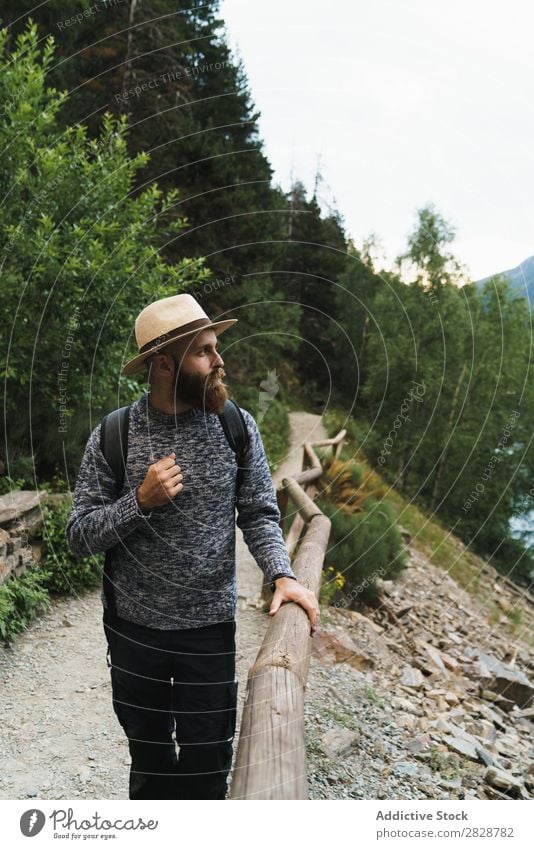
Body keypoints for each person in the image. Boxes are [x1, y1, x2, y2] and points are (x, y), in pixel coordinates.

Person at [66, 293, 319, 800]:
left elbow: (259, 514)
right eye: (204, 351)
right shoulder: (115, 434)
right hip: (133, 630)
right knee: (150, 762)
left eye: (216, 348)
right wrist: (139, 500)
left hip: (208, 629)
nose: (220, 361)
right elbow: (79, 536)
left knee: (208, 765)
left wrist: (283, 574)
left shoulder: (237, 427)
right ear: (164, 365)